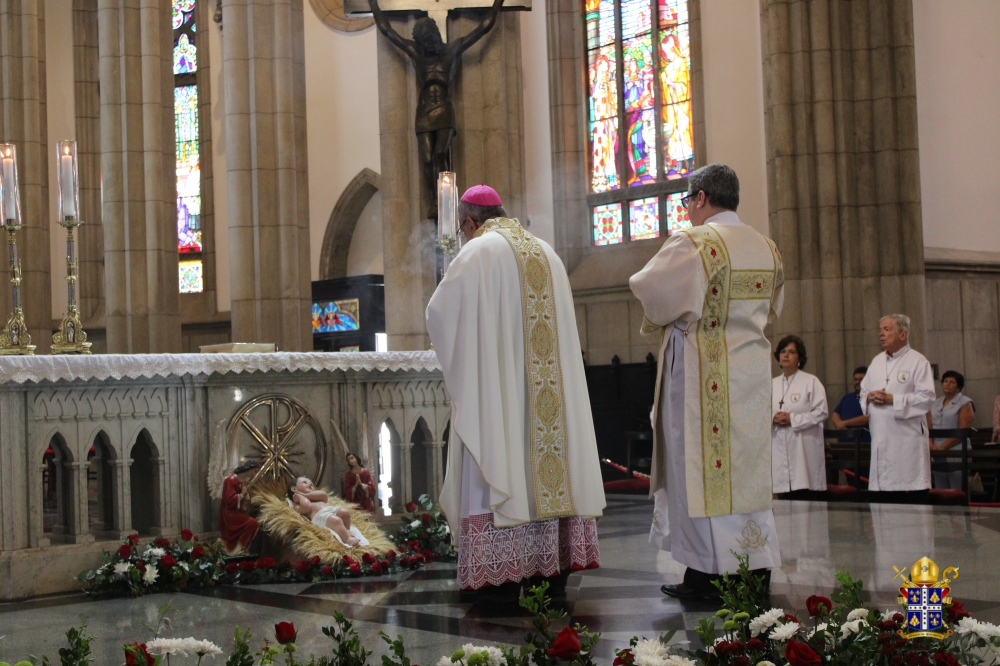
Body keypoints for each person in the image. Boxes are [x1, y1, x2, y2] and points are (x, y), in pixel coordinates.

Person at [427, 184, 605, 603]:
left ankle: (501, 578)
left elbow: (438, 314)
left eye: (464, 229)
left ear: (470, 222)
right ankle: (552, 571)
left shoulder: (475, 253)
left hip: (503, 399)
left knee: (500, 459)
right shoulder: (548, 253)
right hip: (551, 405)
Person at [630, 164, 783, 601]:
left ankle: (708, 576)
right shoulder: (767, 247)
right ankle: (753, 570)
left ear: (699, 198)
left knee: (698, 472)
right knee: (747, 473)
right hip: (751, 377)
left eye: (687, 202)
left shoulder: (695, 242)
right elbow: (773, 308)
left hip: (702, 380)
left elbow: (650, 292)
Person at [860, 314, 936, 503]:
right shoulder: (876, 362)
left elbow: (927, 399)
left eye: (887, 330)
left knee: (910, 505)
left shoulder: (918, 362)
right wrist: (870, 396)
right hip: (881, 440)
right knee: (884, 507)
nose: (881, 334)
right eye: (880, 330)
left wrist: (893, 399)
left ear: (903, 334)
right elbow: (863, 392)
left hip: (906, 444)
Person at [771, 335, 829, 498]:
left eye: (791, 352)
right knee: (784, 499)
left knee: (804, 493)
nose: (786, 355)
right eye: (783, 351)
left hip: (803, 447)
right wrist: (773, 419)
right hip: (779, 449)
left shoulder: (811, 381)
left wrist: (793, 419)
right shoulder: (771, 384)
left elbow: (822, 412)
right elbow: (762, 413)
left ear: (799, 358)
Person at [927, 370, 976, 489]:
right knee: (940, 488)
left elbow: (963, 429)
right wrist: (932, 445)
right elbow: (928, 428)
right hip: (936, 452)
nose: (947, 384)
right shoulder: (935, 403)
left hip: (957, 450)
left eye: (952, 382)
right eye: (945, 381)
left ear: (958, 386)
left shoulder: (965, 402)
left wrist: (943, 447)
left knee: (957, 488)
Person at [289, 476, 369, 548]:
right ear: (294, 489)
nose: (310, 483)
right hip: (321, 516)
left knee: (344, 512)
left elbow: (324, 495)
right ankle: (347, 539)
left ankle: (346, 530)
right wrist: (299, 496)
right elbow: (307, 506)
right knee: (336, 521)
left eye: (311, 483)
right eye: (304, 482)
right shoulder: (297, 504)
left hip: (331, 509)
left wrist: (306, 495)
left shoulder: (315, 496)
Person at [220, 461, 261, 555]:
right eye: (254, 471)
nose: (255, 474)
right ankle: (235, 551)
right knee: (252, 523)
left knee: (253, 524)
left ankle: (240, 549)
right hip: (229, 514)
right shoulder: (230, 480)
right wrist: (242, 495)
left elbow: (245, 503)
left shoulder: (244, 482)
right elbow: (228, 501)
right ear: (248, 469)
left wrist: (246, 497)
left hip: (237, 511)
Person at [831, 367, 870, 435]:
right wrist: (838, 424)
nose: (857, 382)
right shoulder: (847, 397)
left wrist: (845, 423)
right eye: (855, 379)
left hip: (863, 441)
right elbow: (836, 414)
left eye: (861, 379)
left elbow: (869, 417)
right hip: (845, 442)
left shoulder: (871, 397)